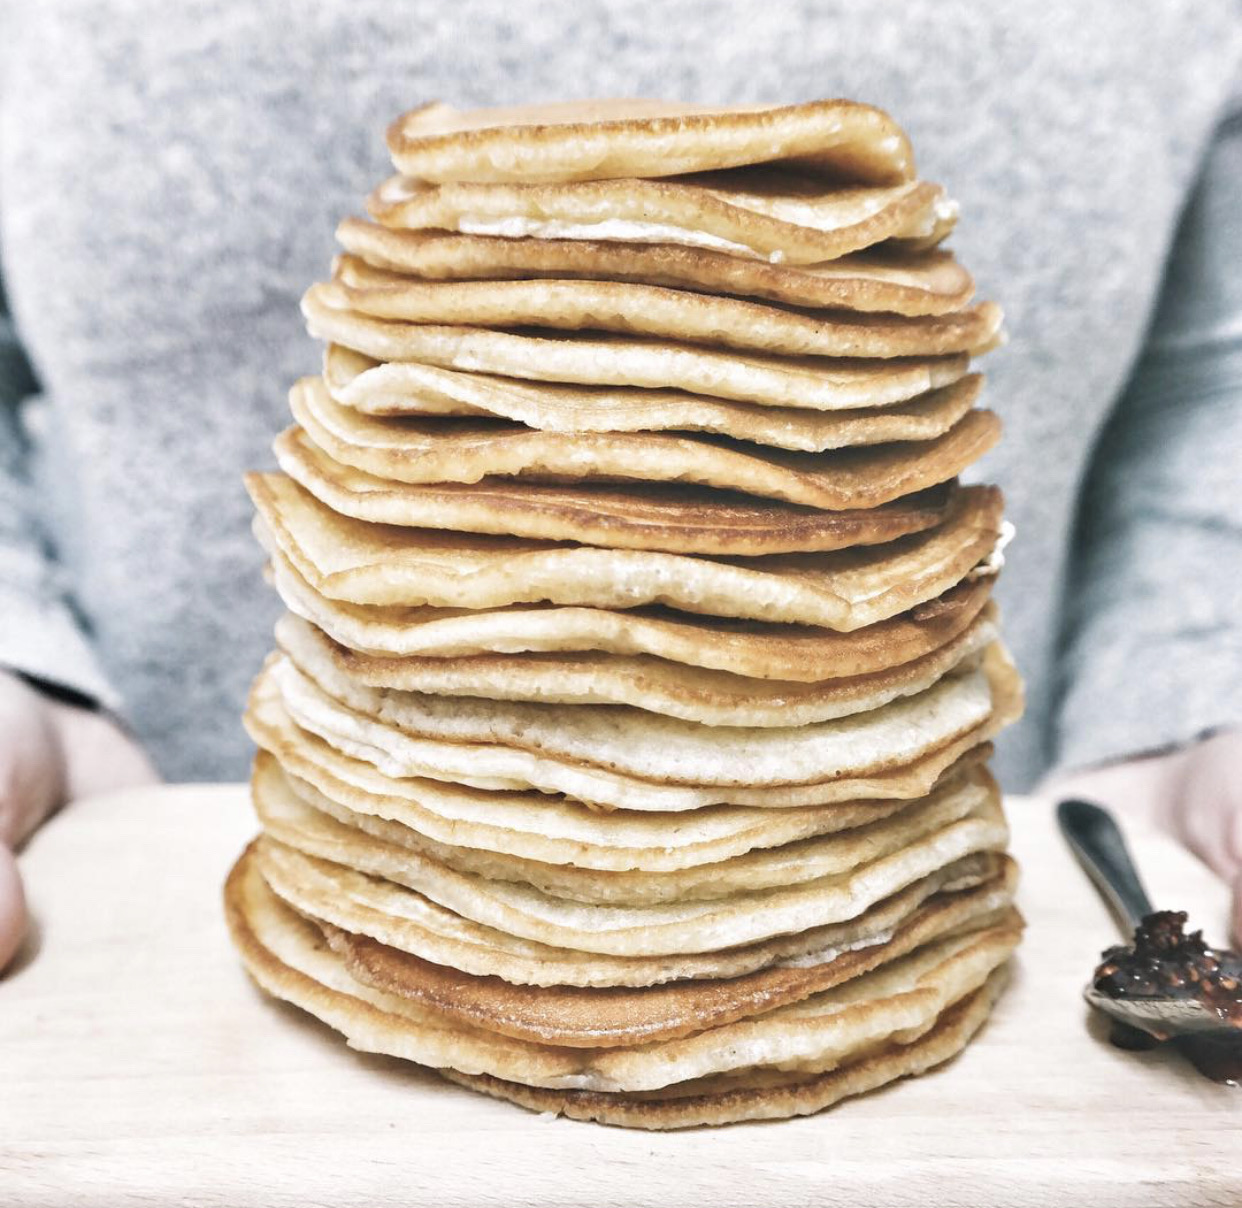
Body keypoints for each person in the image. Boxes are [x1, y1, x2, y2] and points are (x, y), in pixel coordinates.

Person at [1, 0, 1240, 973]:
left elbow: (1211, 385)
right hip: (154, 900)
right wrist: (20, 662)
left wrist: (1196, 699)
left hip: (924, 878)